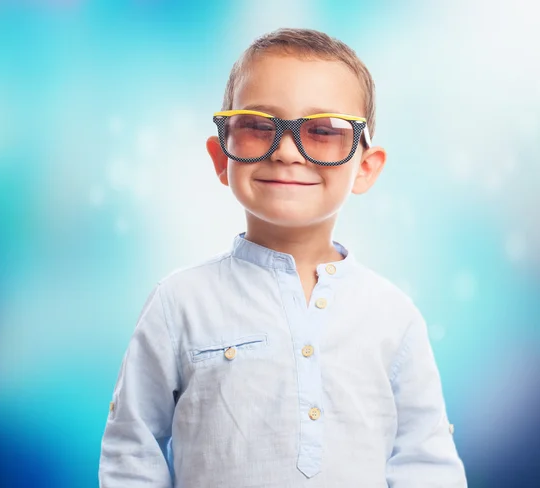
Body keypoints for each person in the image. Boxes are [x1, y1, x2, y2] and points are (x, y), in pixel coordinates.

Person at [98, 27, 467, 488]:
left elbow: (426, 465)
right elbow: (132, 451)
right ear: (221, 157)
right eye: (258, 127)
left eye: (323, 132)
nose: (288, 152)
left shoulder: (395, 318)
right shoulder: (179, 303)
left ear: (365, 167)